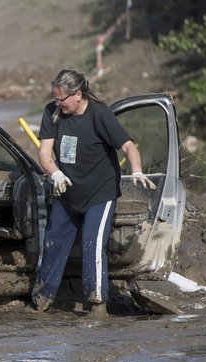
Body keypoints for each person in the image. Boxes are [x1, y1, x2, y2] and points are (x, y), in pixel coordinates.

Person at [31, 69, 156, 316]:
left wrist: (138, 171)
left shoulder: (99, 115)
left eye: (62, 99)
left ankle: (97, 304)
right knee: (53, 241)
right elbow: (44, 154)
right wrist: (55, 174)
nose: (58, 103)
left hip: (100, 193)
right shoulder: (52, 112)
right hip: (67, 191)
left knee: (93, 242)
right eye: (55, 97)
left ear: (77, 95)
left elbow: (129, 146)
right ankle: (42, 299)